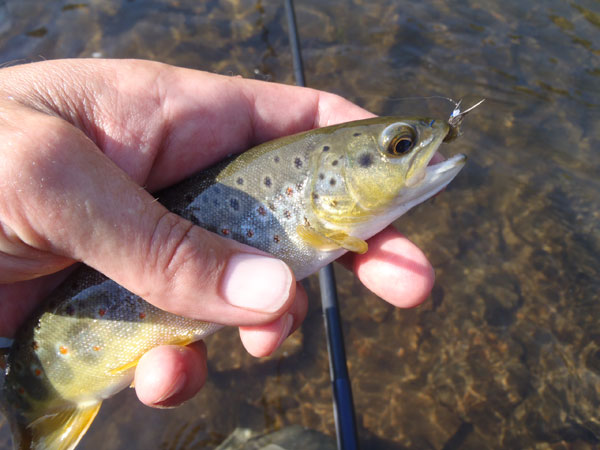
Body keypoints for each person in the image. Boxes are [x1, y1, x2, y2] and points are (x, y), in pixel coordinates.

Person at [0, 59, 436, 408]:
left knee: (168, 376)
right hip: (34, 358)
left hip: (25, 330)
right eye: (400, 146)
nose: (415, 149)